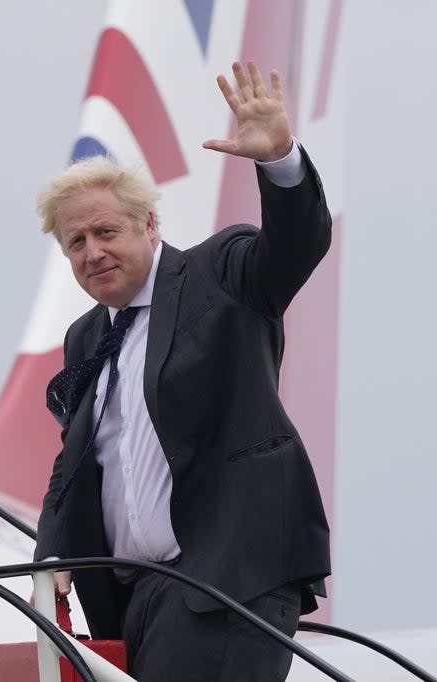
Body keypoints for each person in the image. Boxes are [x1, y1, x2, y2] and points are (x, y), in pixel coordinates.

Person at [34, 61, 332, 682]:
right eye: (76, 244)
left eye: (106, 231)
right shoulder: (87, 338)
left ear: (149, 224)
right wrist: (50, 557)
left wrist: (279, 160)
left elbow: (296, 245)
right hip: (135, 599)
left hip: (227, 580)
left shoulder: (218, 274)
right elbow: (76, 463)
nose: (93, 253)